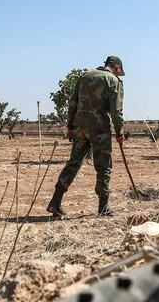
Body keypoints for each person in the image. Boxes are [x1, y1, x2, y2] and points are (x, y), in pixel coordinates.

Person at [47, 56, 125, 218]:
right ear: (116, 68)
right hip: (99, 129)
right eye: (120, 71)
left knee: (73, 163)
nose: (119, 74)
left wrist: (70, 125)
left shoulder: (84, 76)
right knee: (103, 167)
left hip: (80, 127)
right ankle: (103, 207)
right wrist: (119, 132)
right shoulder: (113, 81)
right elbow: (116, 111)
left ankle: (55, 202)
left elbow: (72, 102)